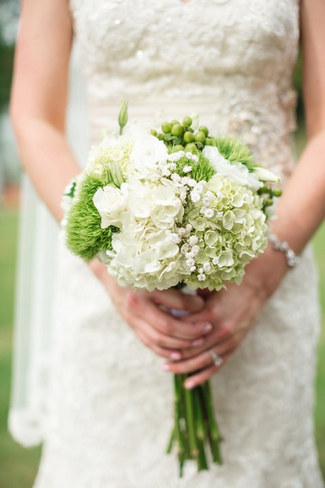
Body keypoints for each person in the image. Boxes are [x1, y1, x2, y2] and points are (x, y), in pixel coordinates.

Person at [9, 0, 325, 486]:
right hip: (109, 286)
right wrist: (109, 271)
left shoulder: (262, 281)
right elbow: (34, 117)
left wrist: (259, 280)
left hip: (267, 267)